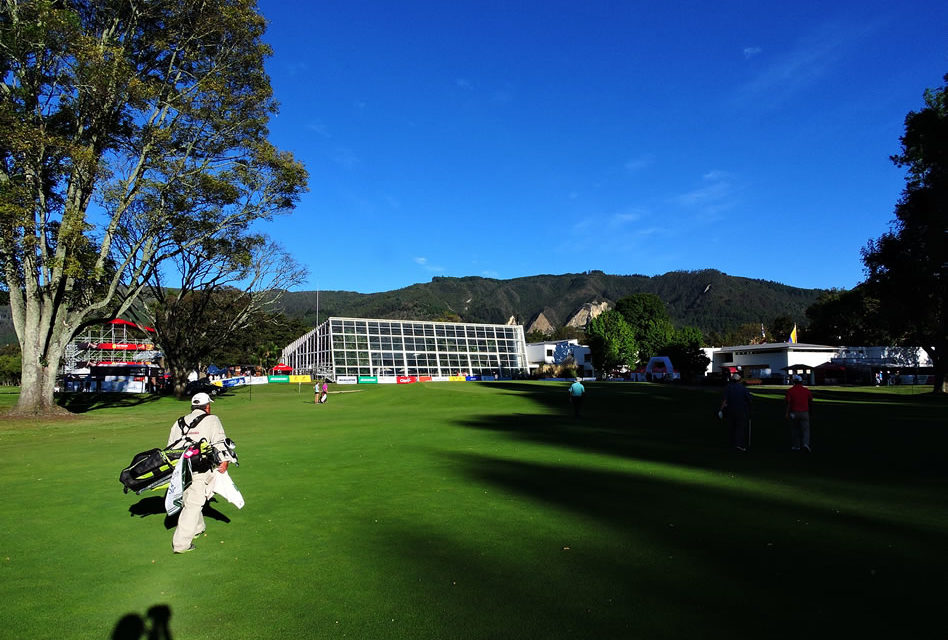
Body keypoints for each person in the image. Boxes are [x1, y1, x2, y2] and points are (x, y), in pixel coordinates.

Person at [167, 392, 235, 553]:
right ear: (207, 406)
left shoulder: (179, 422)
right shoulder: (212, 419)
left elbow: (170, 447)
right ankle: (181, 545)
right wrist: (224, 461)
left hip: (180, 469)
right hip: (200, 467)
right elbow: (219, 441)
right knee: (193, 504)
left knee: (188, 499)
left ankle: (198, 528)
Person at [720, 373, 752, 451]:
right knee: (740, 427)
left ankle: (732, 443)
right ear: (739, 380)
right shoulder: (743, 388)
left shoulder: (728, 387)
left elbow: (724, 401)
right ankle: (738, 444)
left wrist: (721, 410)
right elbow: (749, 400)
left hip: (731, 410)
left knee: (732, 427)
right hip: (741, 411)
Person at [785, 375, 813, 452]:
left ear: (794, 381)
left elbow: (788, 403)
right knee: (806, 430)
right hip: (804, 412)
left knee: (795, 429)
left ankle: (796, 446)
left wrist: (787, 413)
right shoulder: (806, 390)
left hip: (794, 413)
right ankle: (805, 444)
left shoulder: (790, 391)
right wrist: (810, 411)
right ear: (801, 381)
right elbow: (810, 401)